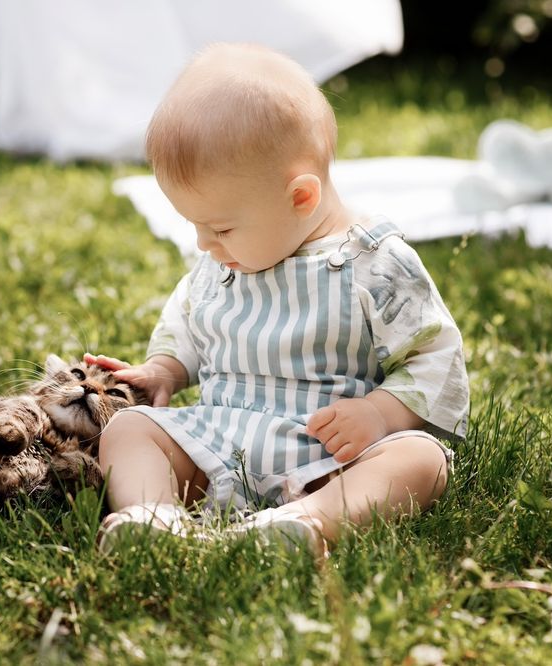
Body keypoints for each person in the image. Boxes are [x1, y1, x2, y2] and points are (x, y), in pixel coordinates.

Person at [87, 43, 469, 556]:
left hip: (330, 456)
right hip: (219, 440)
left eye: (219, 227)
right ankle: (157, 519)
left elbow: (435, 358)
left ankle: (308, 521)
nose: (204, 244)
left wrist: (379, 414)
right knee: (130, 430)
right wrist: (165, 369)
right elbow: (189, 319)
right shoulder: (226, 259)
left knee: (424, 461)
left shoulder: (374, 264)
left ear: (301, 198)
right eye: (195, 226)